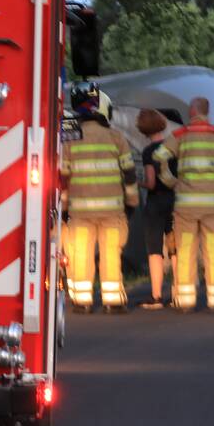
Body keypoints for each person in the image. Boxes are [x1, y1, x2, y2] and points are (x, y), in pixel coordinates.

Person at [153, 97, 214, 313]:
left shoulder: (180, 134)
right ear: (207, 112)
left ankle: (185, 301)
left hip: (186, 206)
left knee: (186, 251)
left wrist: (170, 181)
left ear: (191, 112)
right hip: (213, 206)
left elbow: (158, 157)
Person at [60, 82, 139, 314]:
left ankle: (82, 302)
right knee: (111, 254)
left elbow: (64, 176)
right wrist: (131, 203)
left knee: (81, 255)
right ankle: (112, 301)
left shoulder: (71, 136)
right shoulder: (116, 137)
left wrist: (64, 208)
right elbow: (130, 174)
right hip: (112, 211)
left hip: (80, 212)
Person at [136, 109, 177, 309]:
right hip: (175, 201)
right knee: (175, 248)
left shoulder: (148, 152)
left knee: (155, 250)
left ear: (143, 129)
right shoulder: (173, 148)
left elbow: (151, 183)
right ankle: (179, 293)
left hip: (156, 203)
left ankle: (157, 296)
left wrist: (139, 182)